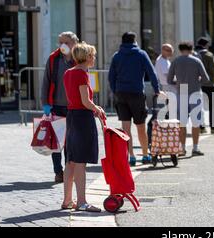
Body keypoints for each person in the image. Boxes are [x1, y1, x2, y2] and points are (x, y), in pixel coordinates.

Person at [63, 42, 106, 213]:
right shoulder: (82, 73)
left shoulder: (68, 72)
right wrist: (98, 109)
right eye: (92, 55)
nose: (94, 58)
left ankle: (67, 200)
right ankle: (81, 201)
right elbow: (85, 101)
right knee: (80, 162)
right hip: (82, 118)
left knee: (71, 161)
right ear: (87, 57)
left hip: (72, 116)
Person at [109, 32, 163, 166]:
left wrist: (115, 91)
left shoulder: (117, 56)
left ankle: (131, 156)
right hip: (137, 93)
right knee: (141, 126)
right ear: (135, 41)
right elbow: (152, 73)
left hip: (121, 94)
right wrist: (157, 90)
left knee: (125, 128)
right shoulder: (141, 54)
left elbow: (111, 77)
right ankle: (145, 155)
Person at [41, 31, 79, 183]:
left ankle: (69, 170)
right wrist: (45, 104)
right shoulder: (53, 59)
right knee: (56, 143)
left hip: (73, 107)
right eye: (61, 42)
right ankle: (58, 172)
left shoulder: (79, 59)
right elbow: (46, 81)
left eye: (66, 42)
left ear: (75, 43)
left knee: (71, 141)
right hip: (56, 106)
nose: (63, 45)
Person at [167, 41, 210, 157]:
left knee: (182, 123)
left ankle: (182, 148)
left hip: (182, 93)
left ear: (180, 50)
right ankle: (195, 148)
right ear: (191, 49)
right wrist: (197, 81)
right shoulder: (196, 61)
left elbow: (169, 79)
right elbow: (206, 78)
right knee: (196, 122)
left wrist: (178, 82)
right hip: (195, 92)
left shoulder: (176, 61)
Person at [195, 37, 214, 134]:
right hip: (209, 84)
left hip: (197, 84)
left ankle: (201, 127)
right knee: (212, 106)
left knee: (198, 106)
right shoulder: (209, 55)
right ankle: (213, 127)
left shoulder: (194, 54)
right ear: (206, 45)